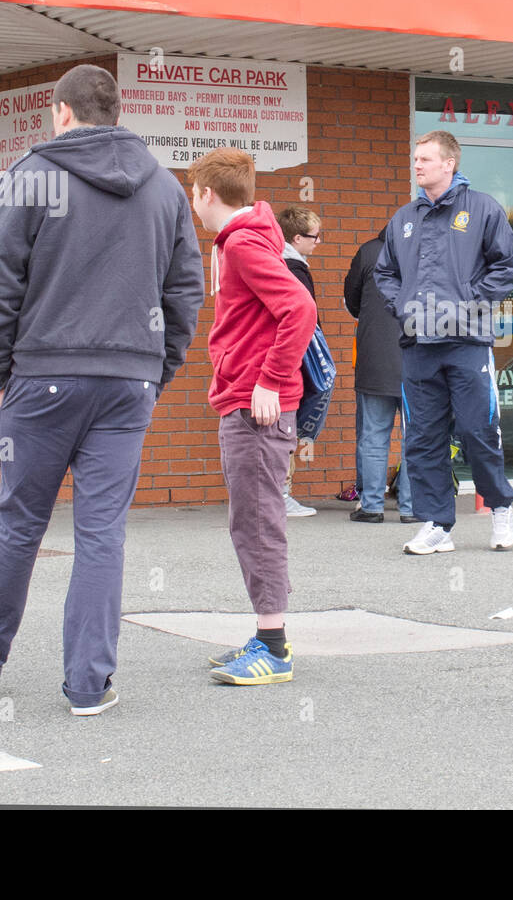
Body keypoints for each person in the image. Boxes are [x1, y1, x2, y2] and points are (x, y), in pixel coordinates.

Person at [0, 64, 204, 715]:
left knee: (19, 524)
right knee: (102, 532)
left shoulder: (32, 175)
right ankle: (87, 684)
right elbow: (186, 288)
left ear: (62, 113)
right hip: (128, 381)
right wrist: (158, 367)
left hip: (42, 377)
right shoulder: (163, 188)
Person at [188, 148, 316, 686]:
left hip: (255, 405)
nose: (192, 203)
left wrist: (268, 380)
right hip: (248, 397)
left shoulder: (240, 245)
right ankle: (266, 635)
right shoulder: (246, 240)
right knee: (253, 521)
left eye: (192, 193)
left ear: (206, 195)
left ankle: (274, 646)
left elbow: (300, 309)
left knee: (258, 523)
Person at [374, 129, 513, 554]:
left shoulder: (482, 209)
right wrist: (402, 308)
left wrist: (471, 303)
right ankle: (437, 524)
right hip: (418, 344)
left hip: (467, 342)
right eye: (416, 158)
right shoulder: (404, 218)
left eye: (425, 158)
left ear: (449, 164)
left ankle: (500, 509)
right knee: (422, 437)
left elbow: (509, 265)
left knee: (478, 431)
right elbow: (384, 274)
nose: (417, 165)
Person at [344, 227, 418, 524]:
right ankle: (412, 509)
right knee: (416, 438)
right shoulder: (426, 254)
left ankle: (372, 506)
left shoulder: (369, 251)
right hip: (418, 360)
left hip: (375, 359)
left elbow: (352, 300)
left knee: (373, 437)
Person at [276, 205, 328, 518]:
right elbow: (303, 317)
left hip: (282, 358)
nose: (318, 242)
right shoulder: (293, 267)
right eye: (314, 236)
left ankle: (280, 494)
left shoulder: (276, 261)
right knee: (287, 426)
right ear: (297, 238)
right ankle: (282, 494)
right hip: (291, 359)